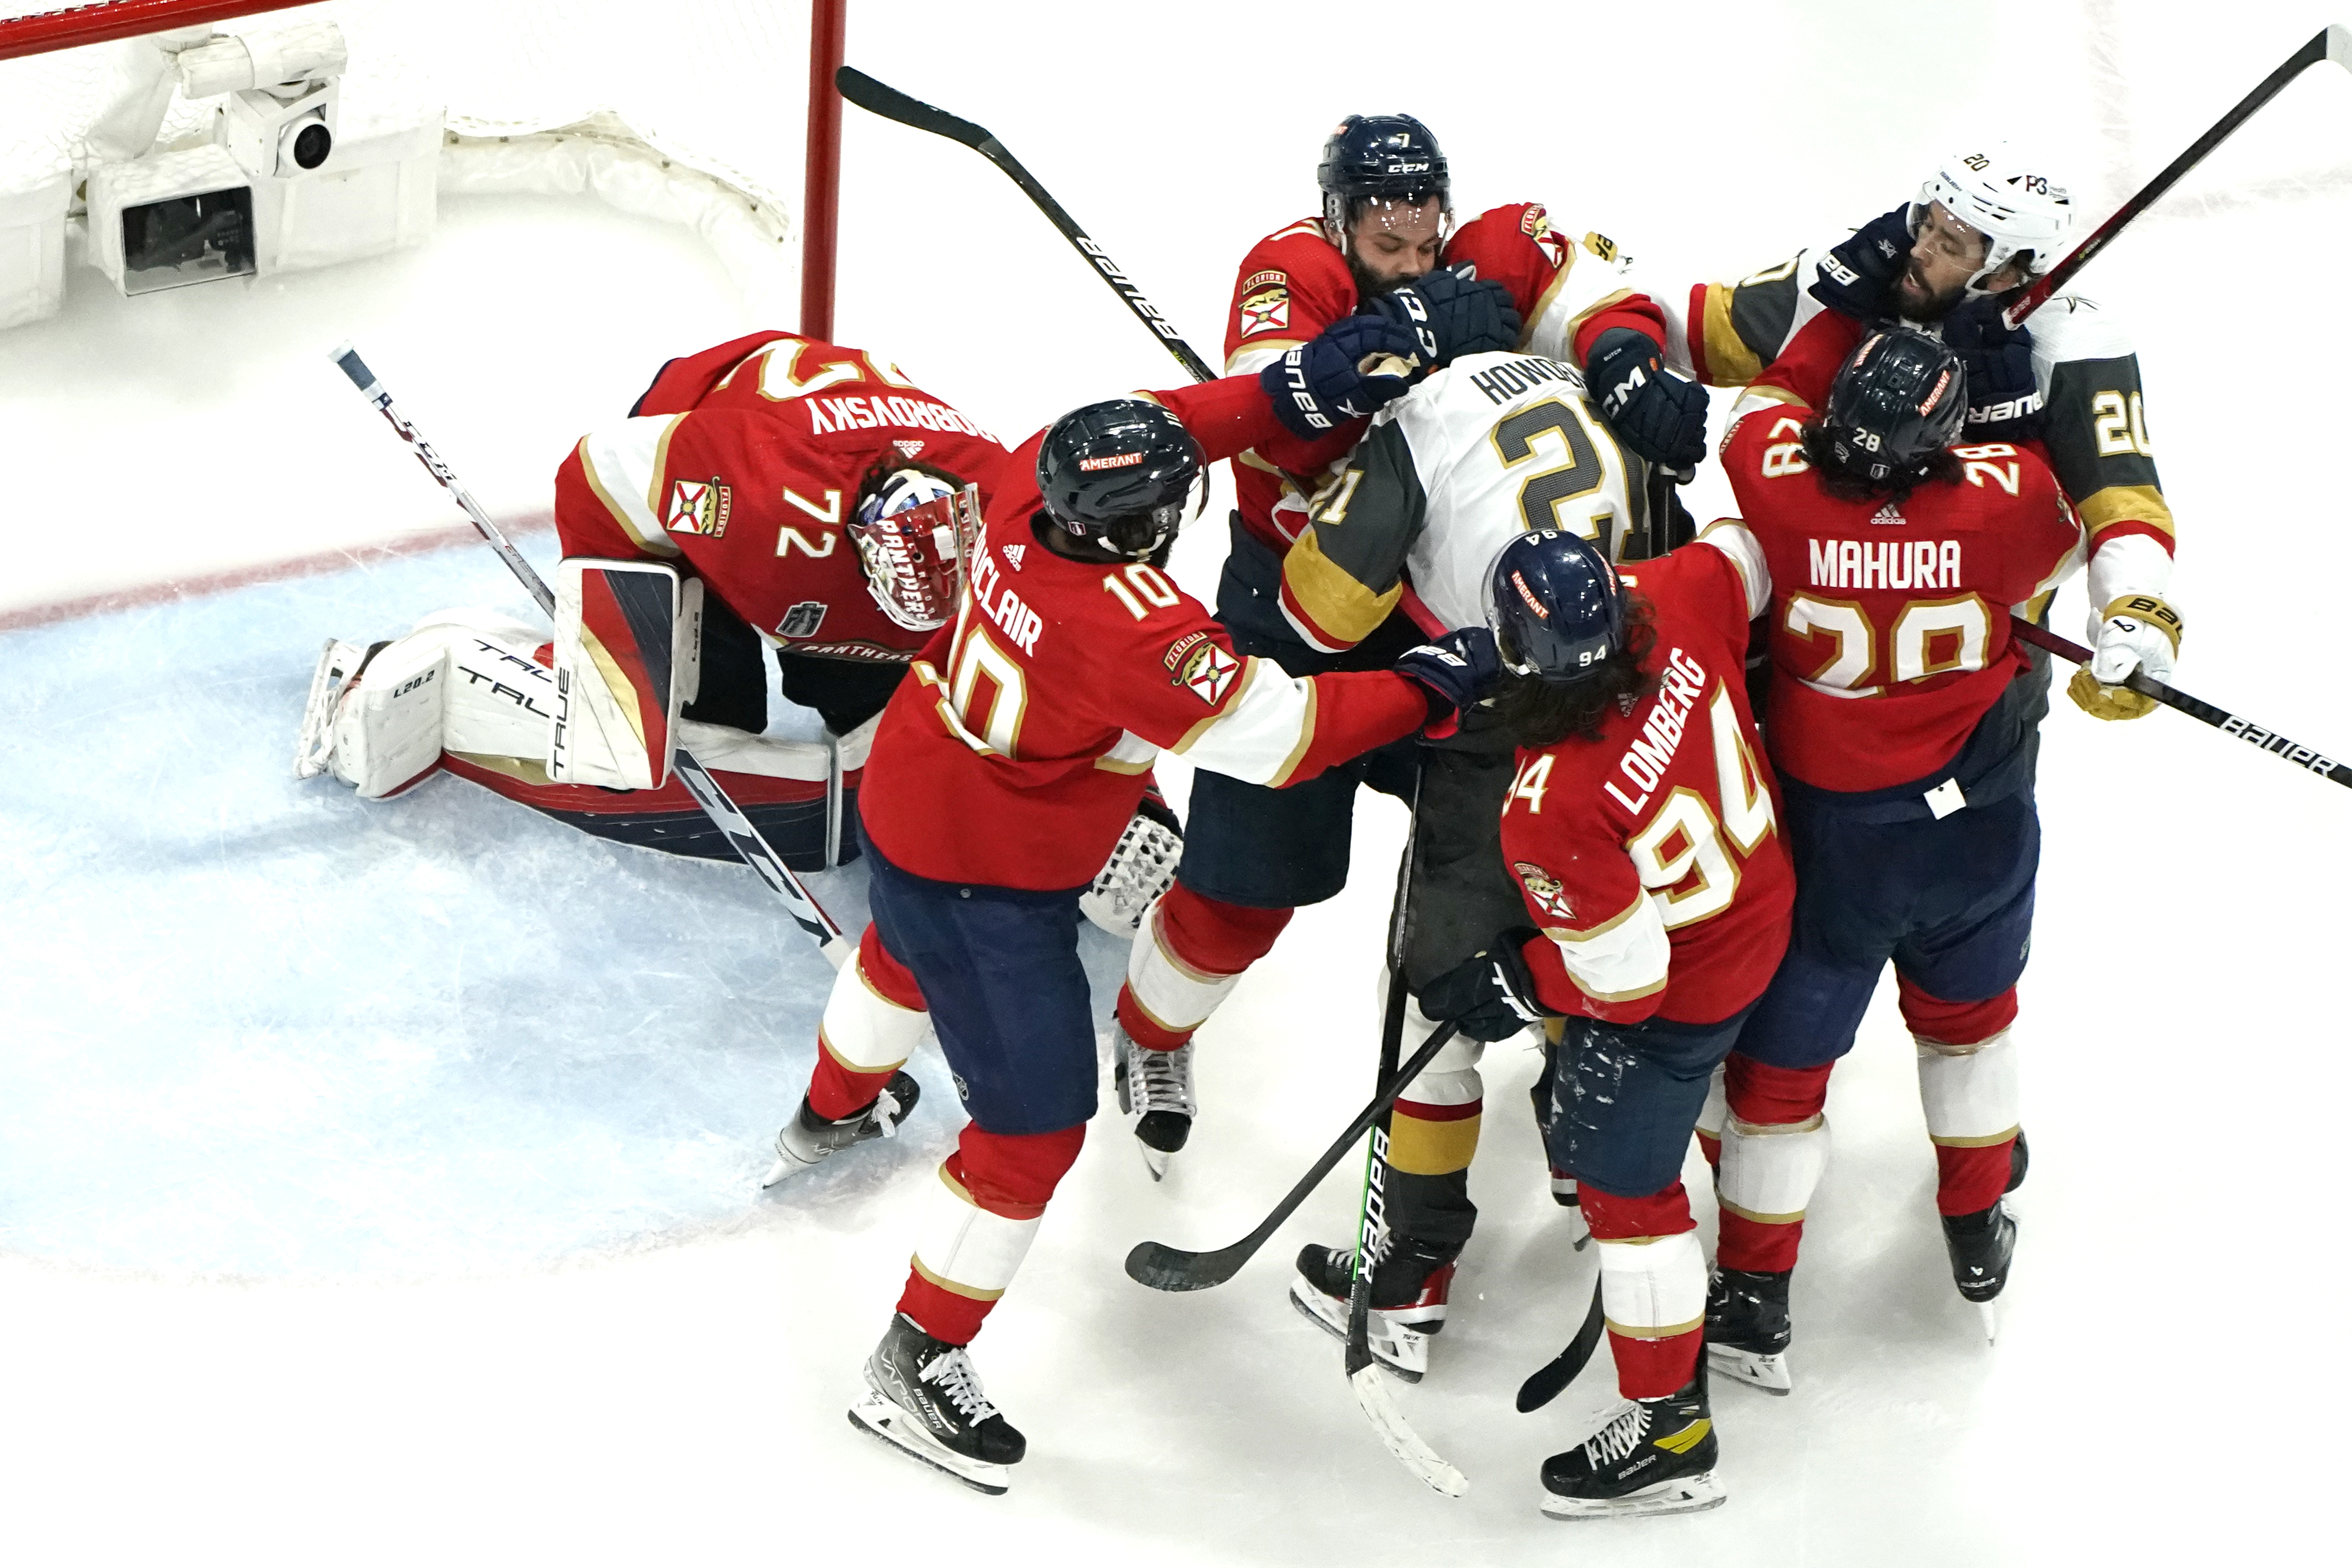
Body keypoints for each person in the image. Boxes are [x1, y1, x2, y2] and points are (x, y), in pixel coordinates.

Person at [760, 326, 1502, 1495]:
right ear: (1147, 526)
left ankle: (827, 1113)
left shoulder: (1019, 479)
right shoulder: (1131, 632)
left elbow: (1157, 419)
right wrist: (1424, 686)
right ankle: (914, 1358)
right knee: (1032, 1132)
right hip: (991, 880)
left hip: (913, 797)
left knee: (894, 957)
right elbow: (1282, 734)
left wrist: (1282, 391)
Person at [1110, 111, 1711, 1176]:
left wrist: (1619, 361)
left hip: (1478, 619)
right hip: (1305, 621)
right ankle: (1153, 1032)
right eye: (1382, 229)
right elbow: (1283, 413)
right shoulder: (1286, 268)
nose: (1410, 245)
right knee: (1245, 891)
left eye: (1423, 220)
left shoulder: (1494, 243)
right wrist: (1417, 328)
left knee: (1523, 875)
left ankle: (1564, 1077)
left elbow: (1599, 293)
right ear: (1337, 216)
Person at [1700, 328, 2169, 1393]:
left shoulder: (1778, 488)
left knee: (1779, 1078)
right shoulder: (2007, 496)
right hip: (1976, 831)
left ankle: (1754, 1294)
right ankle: (1973, 1221)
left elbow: (1765, 401)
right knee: (1969, 1028)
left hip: (1834, 846)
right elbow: (2099, 515)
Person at [1253, 339, 1661, 1380]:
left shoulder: (1421, 420)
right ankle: (1579, 1157)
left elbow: (1317, 609)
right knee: (1585, 923)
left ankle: (1409, 1274)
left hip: (1498, 721)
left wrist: (1335, 503)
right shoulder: (1574, 373)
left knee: (1439, 995)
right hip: (1625, 698)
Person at [295, 333, 1008, 873]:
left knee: (873, 731)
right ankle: (446, 663)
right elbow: (595, 476)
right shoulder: (754, 499)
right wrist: (619, 662)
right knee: (684, 727)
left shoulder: (1006, 498)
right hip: (715, 430)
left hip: (827, 484)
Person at [1417, 521, 1790, 1520]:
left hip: (1685, 992)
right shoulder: (1674, 594)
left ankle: (1670, 1435)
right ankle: (1754, 1302)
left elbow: (1625, 987)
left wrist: (1519, 972)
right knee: (1749, 1100)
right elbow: (1747, 552)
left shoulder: (1550, 807)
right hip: (1765, 905)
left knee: (1630, 1197)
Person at [1679, 144, 2181, 721]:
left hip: (1980, 665)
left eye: (1953, 244)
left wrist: (2133, 612)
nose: (1920, 249)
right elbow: (1701, 331)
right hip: (1810, 628)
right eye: (1929, 223)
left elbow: (2125, 503)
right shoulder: (1855, 278)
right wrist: (1623, 341)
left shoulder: (2072, 340)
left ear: (2009, 272)